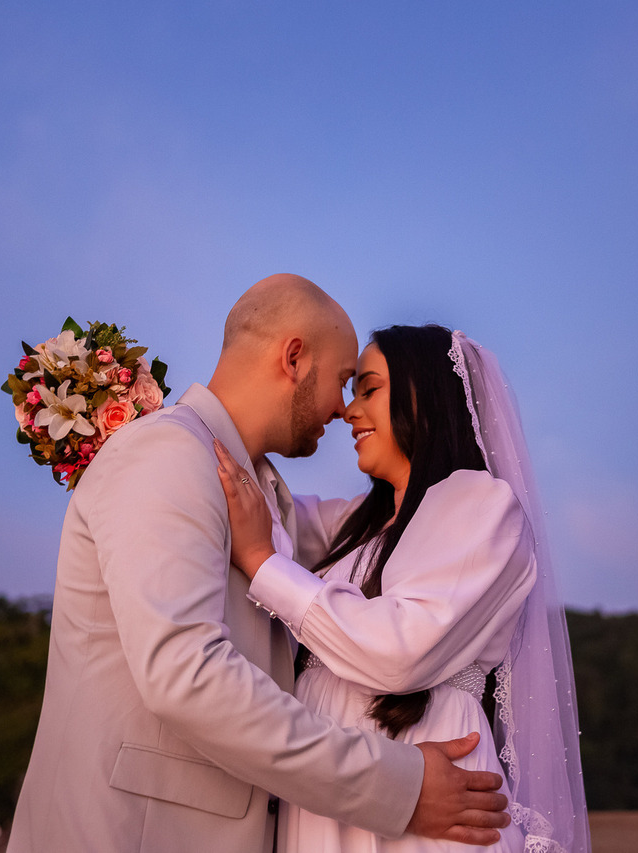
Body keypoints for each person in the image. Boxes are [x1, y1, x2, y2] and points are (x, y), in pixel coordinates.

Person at [7, 278, 510, 852]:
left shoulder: (261, 495)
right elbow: (187, 675)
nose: (344, 408)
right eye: (345, 380)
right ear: (294, 357)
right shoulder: (167, 454)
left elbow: (396, 522)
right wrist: (399, 785)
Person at [214, 324, 591, 852]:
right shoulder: (356, 526)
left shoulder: (483, 506)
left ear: (426, 394)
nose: (348, 411)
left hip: (427, 793)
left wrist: (262, 563)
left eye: (369, 388)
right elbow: (247, 497)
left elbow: (400, 654)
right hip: (339, 794)